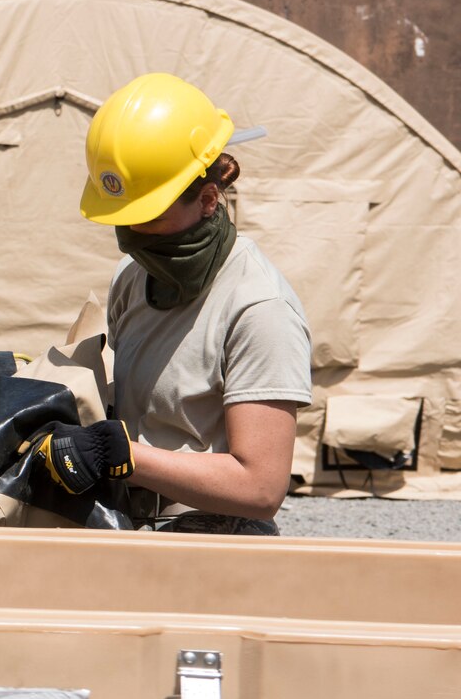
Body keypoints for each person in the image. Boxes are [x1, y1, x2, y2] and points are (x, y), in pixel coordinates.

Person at [29, 72, 311, 533]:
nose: (130, 236)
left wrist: (124, 456)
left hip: (214, 540)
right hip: (128, 523)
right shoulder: (134, 277)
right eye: (122, 217)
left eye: (147, 215)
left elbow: (260, 488)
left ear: (207, 198)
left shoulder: (259, 309)